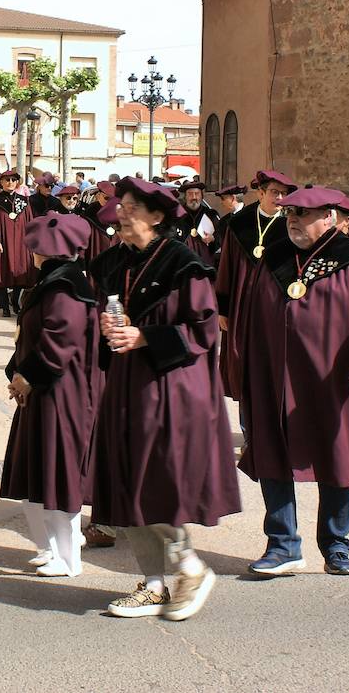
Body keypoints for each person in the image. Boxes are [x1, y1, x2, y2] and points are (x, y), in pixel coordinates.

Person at [88, 178, 240, 622]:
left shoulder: (182, 264)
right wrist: (106, 333)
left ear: (157, 216)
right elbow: (106, 318)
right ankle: (154, 583)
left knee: (155, 479)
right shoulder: (112, 261)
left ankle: (190, 568)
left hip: (171, 385)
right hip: (126, 381)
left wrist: (145, 337)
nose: (121, 212)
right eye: (121, 205)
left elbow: (203, 331)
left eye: (133, 207)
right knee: (126, 476)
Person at [238, 187, 349, 578]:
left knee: (336, 461)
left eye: (304, 214)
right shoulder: (273, 257)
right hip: (274, 379)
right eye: (291, 212)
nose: (293, 219)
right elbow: (249, 315)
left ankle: (336, 545)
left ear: (328, 217)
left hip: (334, 381)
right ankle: (282, 546)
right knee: (273, 457)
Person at [0, 213, 102, 578]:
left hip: (62, 392)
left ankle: (68, 556)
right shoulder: (51, 282)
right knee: (37, 471)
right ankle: (47, 547)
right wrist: (16, 372)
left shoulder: (66, 287)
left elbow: (60, 340)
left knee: (59, 473)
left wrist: (28, 377)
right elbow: (27, 337)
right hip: (41, 391)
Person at [215, 169, 295, 407]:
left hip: (274, 307)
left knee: (272, 365)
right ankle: (248, 427)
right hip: (242, 304)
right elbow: (226, 267)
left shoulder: (291, 227)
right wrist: (223, 308)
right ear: (260, 193)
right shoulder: (240, 224)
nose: (279, 198)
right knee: (244, 364)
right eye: (274, 192)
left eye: (283, 193)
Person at [0, 168, 35, 317]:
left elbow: (30, 222)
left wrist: (31, 242)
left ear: (17, 182)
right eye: (7, 180)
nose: (10, 183)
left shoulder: (24, 202)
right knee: (1, 273)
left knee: (20, 273)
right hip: (3, 243)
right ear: (1, 182)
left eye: (13, 180)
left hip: (21, 244)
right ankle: (4, 306)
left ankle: (15, 302)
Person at [174, 179, 219, 267]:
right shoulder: (178, 215)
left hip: (206, 263)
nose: (194, 197)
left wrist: (213, 238)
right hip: (183, 262)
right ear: (185, 197)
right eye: (190, 194)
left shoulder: (211, 214)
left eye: (197, 194)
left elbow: (222, 236)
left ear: (201, 196)